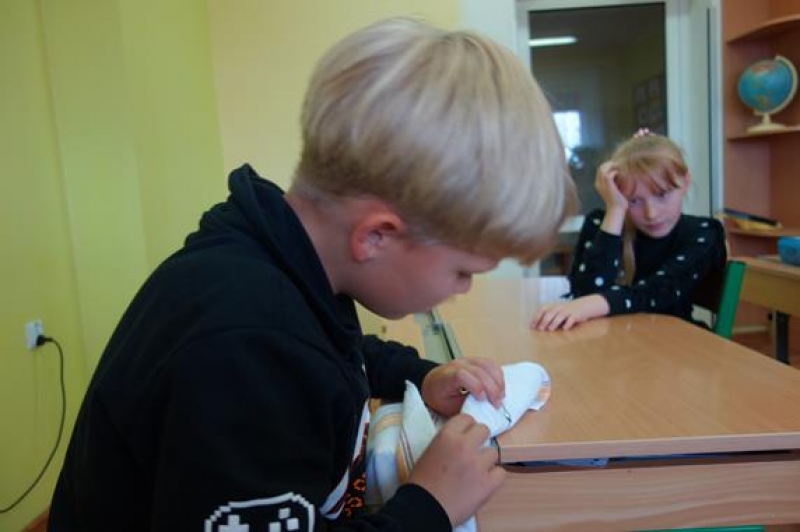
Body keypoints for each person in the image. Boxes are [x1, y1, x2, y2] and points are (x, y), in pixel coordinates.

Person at [48, 17, 575, 532]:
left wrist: (421, 375)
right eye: (463, 271)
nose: (462, 290)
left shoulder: (283, 262)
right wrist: (428, 507)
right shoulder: (247, 349)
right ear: (376, 236)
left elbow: (339, 351)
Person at [531, 129, 726, 332]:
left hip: (675, 342)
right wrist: (615, 210)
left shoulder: (704, 233)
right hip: (612, 340)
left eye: (662, 195)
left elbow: (659, 291)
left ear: (684, 183)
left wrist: (591, 304)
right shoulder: (601, 223)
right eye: (634, 200)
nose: (651, 213)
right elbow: (585, 293)